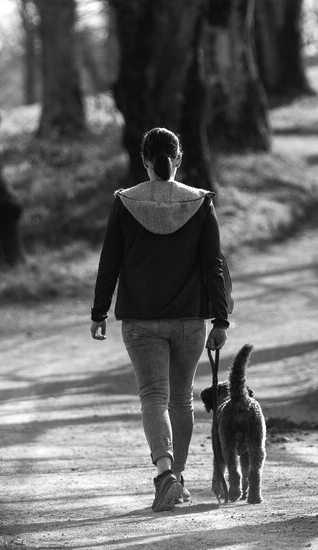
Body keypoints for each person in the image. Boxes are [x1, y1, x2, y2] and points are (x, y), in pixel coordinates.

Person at [90, 127, 230, 512]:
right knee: (181, 398)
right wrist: (221, 320)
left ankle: (166, 475)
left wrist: (99, 312)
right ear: (178, 159)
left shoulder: (126, 202)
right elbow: (213, 266)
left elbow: (110, 262)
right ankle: (178, 479)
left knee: (153, 397)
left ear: (145, 162)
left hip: (140, 320)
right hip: (189, 320)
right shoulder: (200, 203)